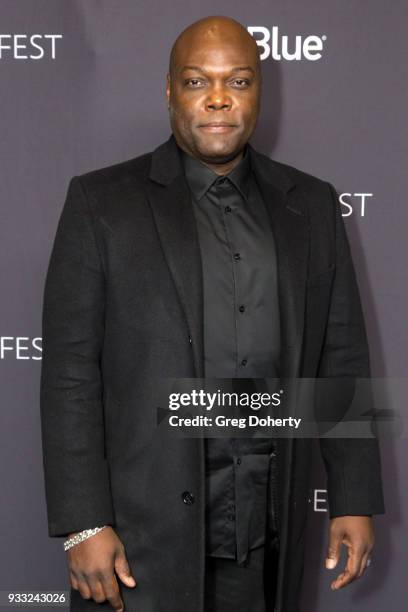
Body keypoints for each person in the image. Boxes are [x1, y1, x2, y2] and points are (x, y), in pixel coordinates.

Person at [40, 15, 385, 612]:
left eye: (240, 81)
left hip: (267, 537)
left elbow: (341, 355)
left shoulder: (313, 205)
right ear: (169, 90)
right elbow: (71, 373)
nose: (220, 98)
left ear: (259, 93)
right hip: (138, 546)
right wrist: (82, 524)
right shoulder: (100, 203)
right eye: (198, 81)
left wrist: (353, 498)